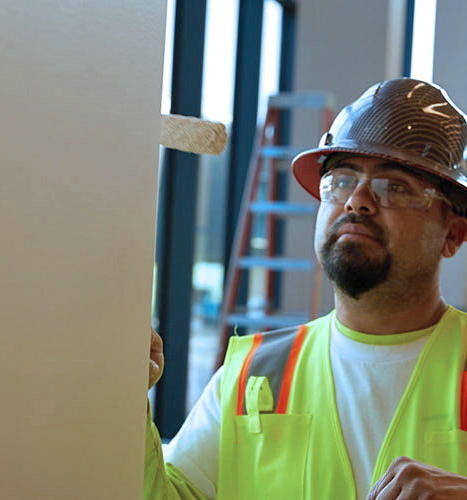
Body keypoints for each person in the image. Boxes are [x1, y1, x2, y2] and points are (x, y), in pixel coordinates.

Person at [144, 78, 467, 500]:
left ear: (453, 235)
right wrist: (125, 401)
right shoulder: (251, 376)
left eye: (394, 187)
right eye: (341, 180)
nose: (357, 201)